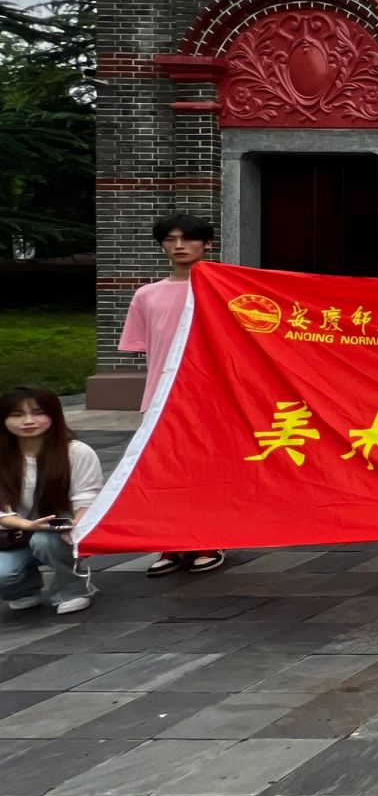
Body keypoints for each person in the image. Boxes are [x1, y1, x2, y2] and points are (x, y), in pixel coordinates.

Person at [121, 213, 226, 577]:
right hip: (161, 397)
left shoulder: (224, 289)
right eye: (170, 239)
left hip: (212, 397)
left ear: (206, 244)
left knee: (207, 472)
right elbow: (145, 348)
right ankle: (171, 542)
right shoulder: (146, 295)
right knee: (164, 474)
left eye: (188, 238)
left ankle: (208, 539)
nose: (179, 246)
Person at [1, 387, 101, 615]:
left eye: (38, 413)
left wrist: (77, 528)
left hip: (61, 531)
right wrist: (27, 525)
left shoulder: (76, 452)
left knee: (45, 542)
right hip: (14, 533)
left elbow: (87, 498)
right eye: (17, 415)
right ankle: (22, 590)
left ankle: (74, 590)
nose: (28, 421)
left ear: (54, 415)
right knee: (3, 573)